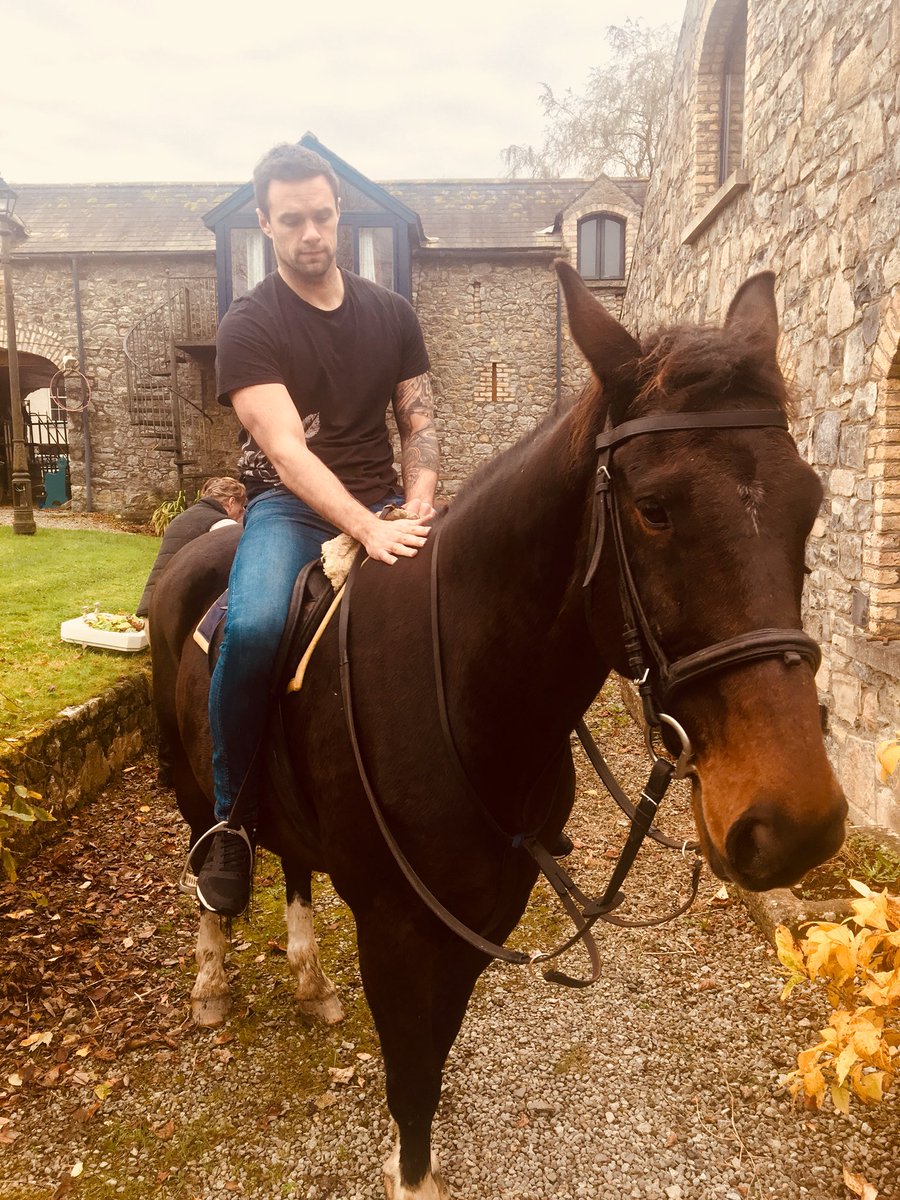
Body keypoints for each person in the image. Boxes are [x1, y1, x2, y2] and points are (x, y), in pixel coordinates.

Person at [195, 143, 439, 918]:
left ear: (341, 215)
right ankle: (229, 821)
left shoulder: (392, 313)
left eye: (322, 216)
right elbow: (286, 452)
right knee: (261, 624)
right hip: (290, 509)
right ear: (265, 223)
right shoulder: (250, 324)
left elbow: (419, 420)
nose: (311, 233)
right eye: (292, 219)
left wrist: (422, 497)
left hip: (389, 502)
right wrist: (366, 526)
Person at [137, 477, 247, 621]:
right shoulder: (222, 524)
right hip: (177, 612)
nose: (241, 514)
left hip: (152, 606)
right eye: (241, 509)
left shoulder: (182, 517)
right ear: (231, 502)